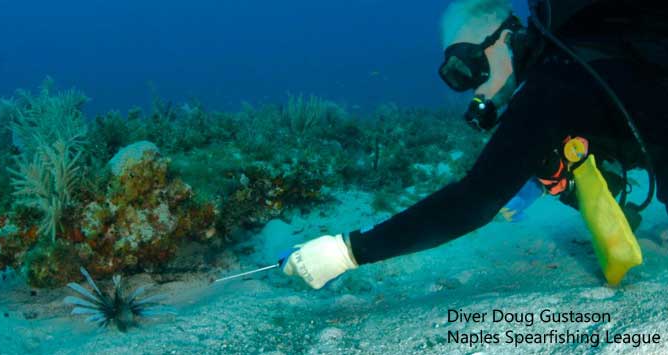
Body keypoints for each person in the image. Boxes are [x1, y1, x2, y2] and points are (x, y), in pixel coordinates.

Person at [282, 0, 668, 289]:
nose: (475, 87)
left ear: (503, 37)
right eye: (458, 77)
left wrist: (347, 251)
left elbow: (474, 201)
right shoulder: (596, 64)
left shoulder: (555, 83)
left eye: (468, 66)